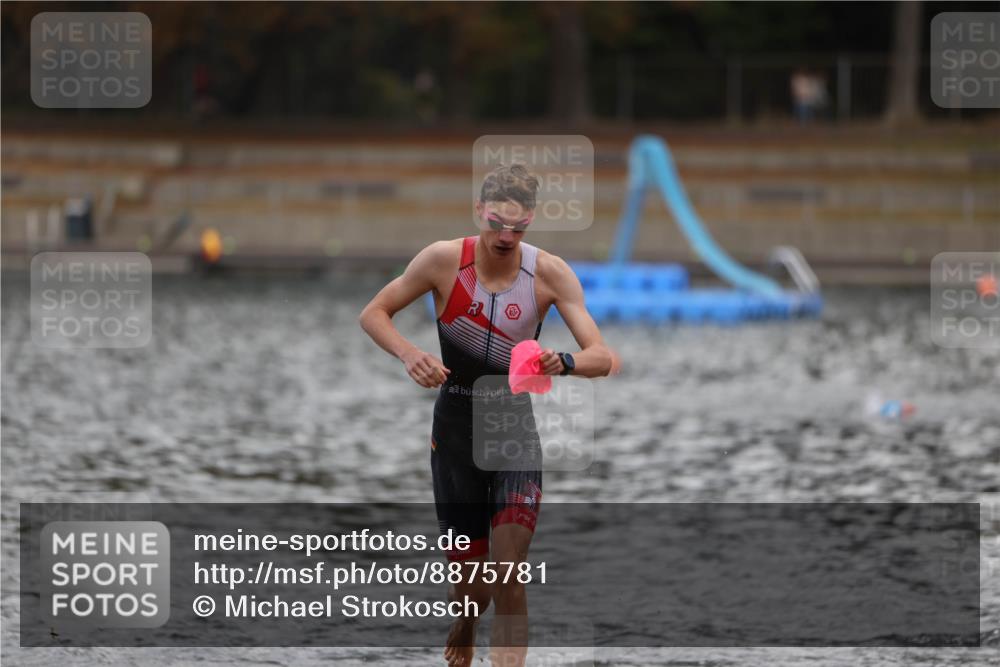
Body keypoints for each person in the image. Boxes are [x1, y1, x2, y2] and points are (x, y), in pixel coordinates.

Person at [359, 163, 618, 667]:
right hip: (454, 435)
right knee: (473, 587)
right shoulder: (442, 261)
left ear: (531, 221)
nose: (505, 237)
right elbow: (373, 313)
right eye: (496, 223)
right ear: (479, 210)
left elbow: (602, 357)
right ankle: (465, 622)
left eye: (517, 228)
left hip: (512, 431)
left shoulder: (549, 273)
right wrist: (410, 354)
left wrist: (563, 362)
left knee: (509, 572)